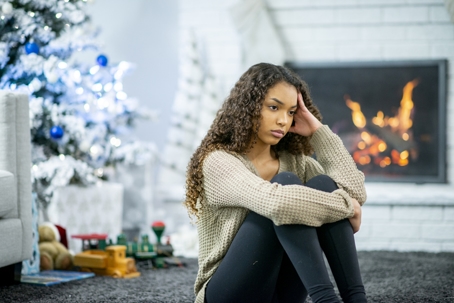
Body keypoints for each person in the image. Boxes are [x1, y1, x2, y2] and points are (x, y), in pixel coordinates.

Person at [185, 63, 367, 303]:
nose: (283, 120)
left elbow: (355, 193)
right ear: (248, 107)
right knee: (285, 185)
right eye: (274, 107)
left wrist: (317, 131)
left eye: (291, 112)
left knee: (322, 182)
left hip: (282, 294)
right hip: (227, 294)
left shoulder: (295, 162)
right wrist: (347, 207)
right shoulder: (218, 162)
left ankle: (356, 299)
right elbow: (277, 203)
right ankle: (326, 300)